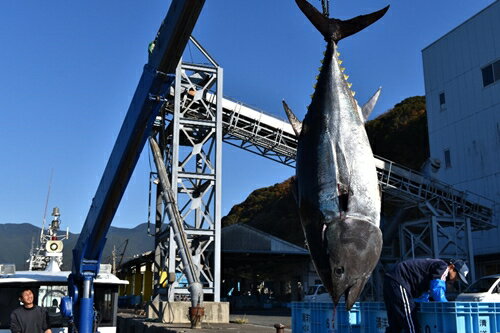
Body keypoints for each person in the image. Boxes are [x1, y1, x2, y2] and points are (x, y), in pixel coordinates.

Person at [383, 258, 469, 333]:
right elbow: (437, 290)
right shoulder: (443, 267)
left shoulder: (432, 269)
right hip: (399, 280)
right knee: (410, 321)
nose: (456, 280)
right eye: (457, 276)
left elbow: (423, 295)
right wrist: (447, 307)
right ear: (452, 267)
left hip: (391, 279)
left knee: (395, 323)